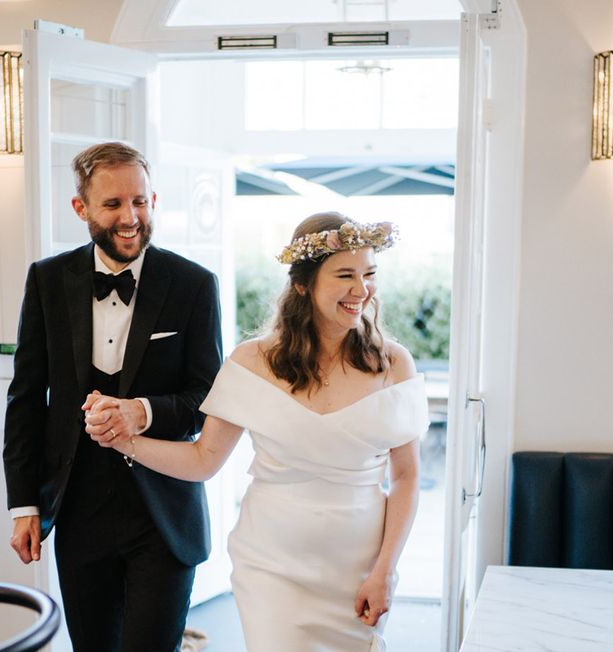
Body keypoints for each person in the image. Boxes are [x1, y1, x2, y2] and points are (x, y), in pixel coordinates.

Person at [87, 212, 429, 651]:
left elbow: (407, 477)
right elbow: (202, 460)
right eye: (345, 275)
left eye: (369, 274)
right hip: (272, 568)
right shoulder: (252, 363)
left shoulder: (393, 364)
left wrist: (385, 570)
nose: (361, 290)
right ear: (303, 284)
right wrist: (124, 440)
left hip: (359, 567)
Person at [3, 142, 222, 652]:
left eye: (141, 202)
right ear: (81, 209)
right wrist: (23, 504)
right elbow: (27, 398)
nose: (131, 218)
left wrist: (141, 412)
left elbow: (208, 396)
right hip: (78, 508)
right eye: (113, 204)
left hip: (164, 510)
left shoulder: (193, 284)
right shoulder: (48, 280)